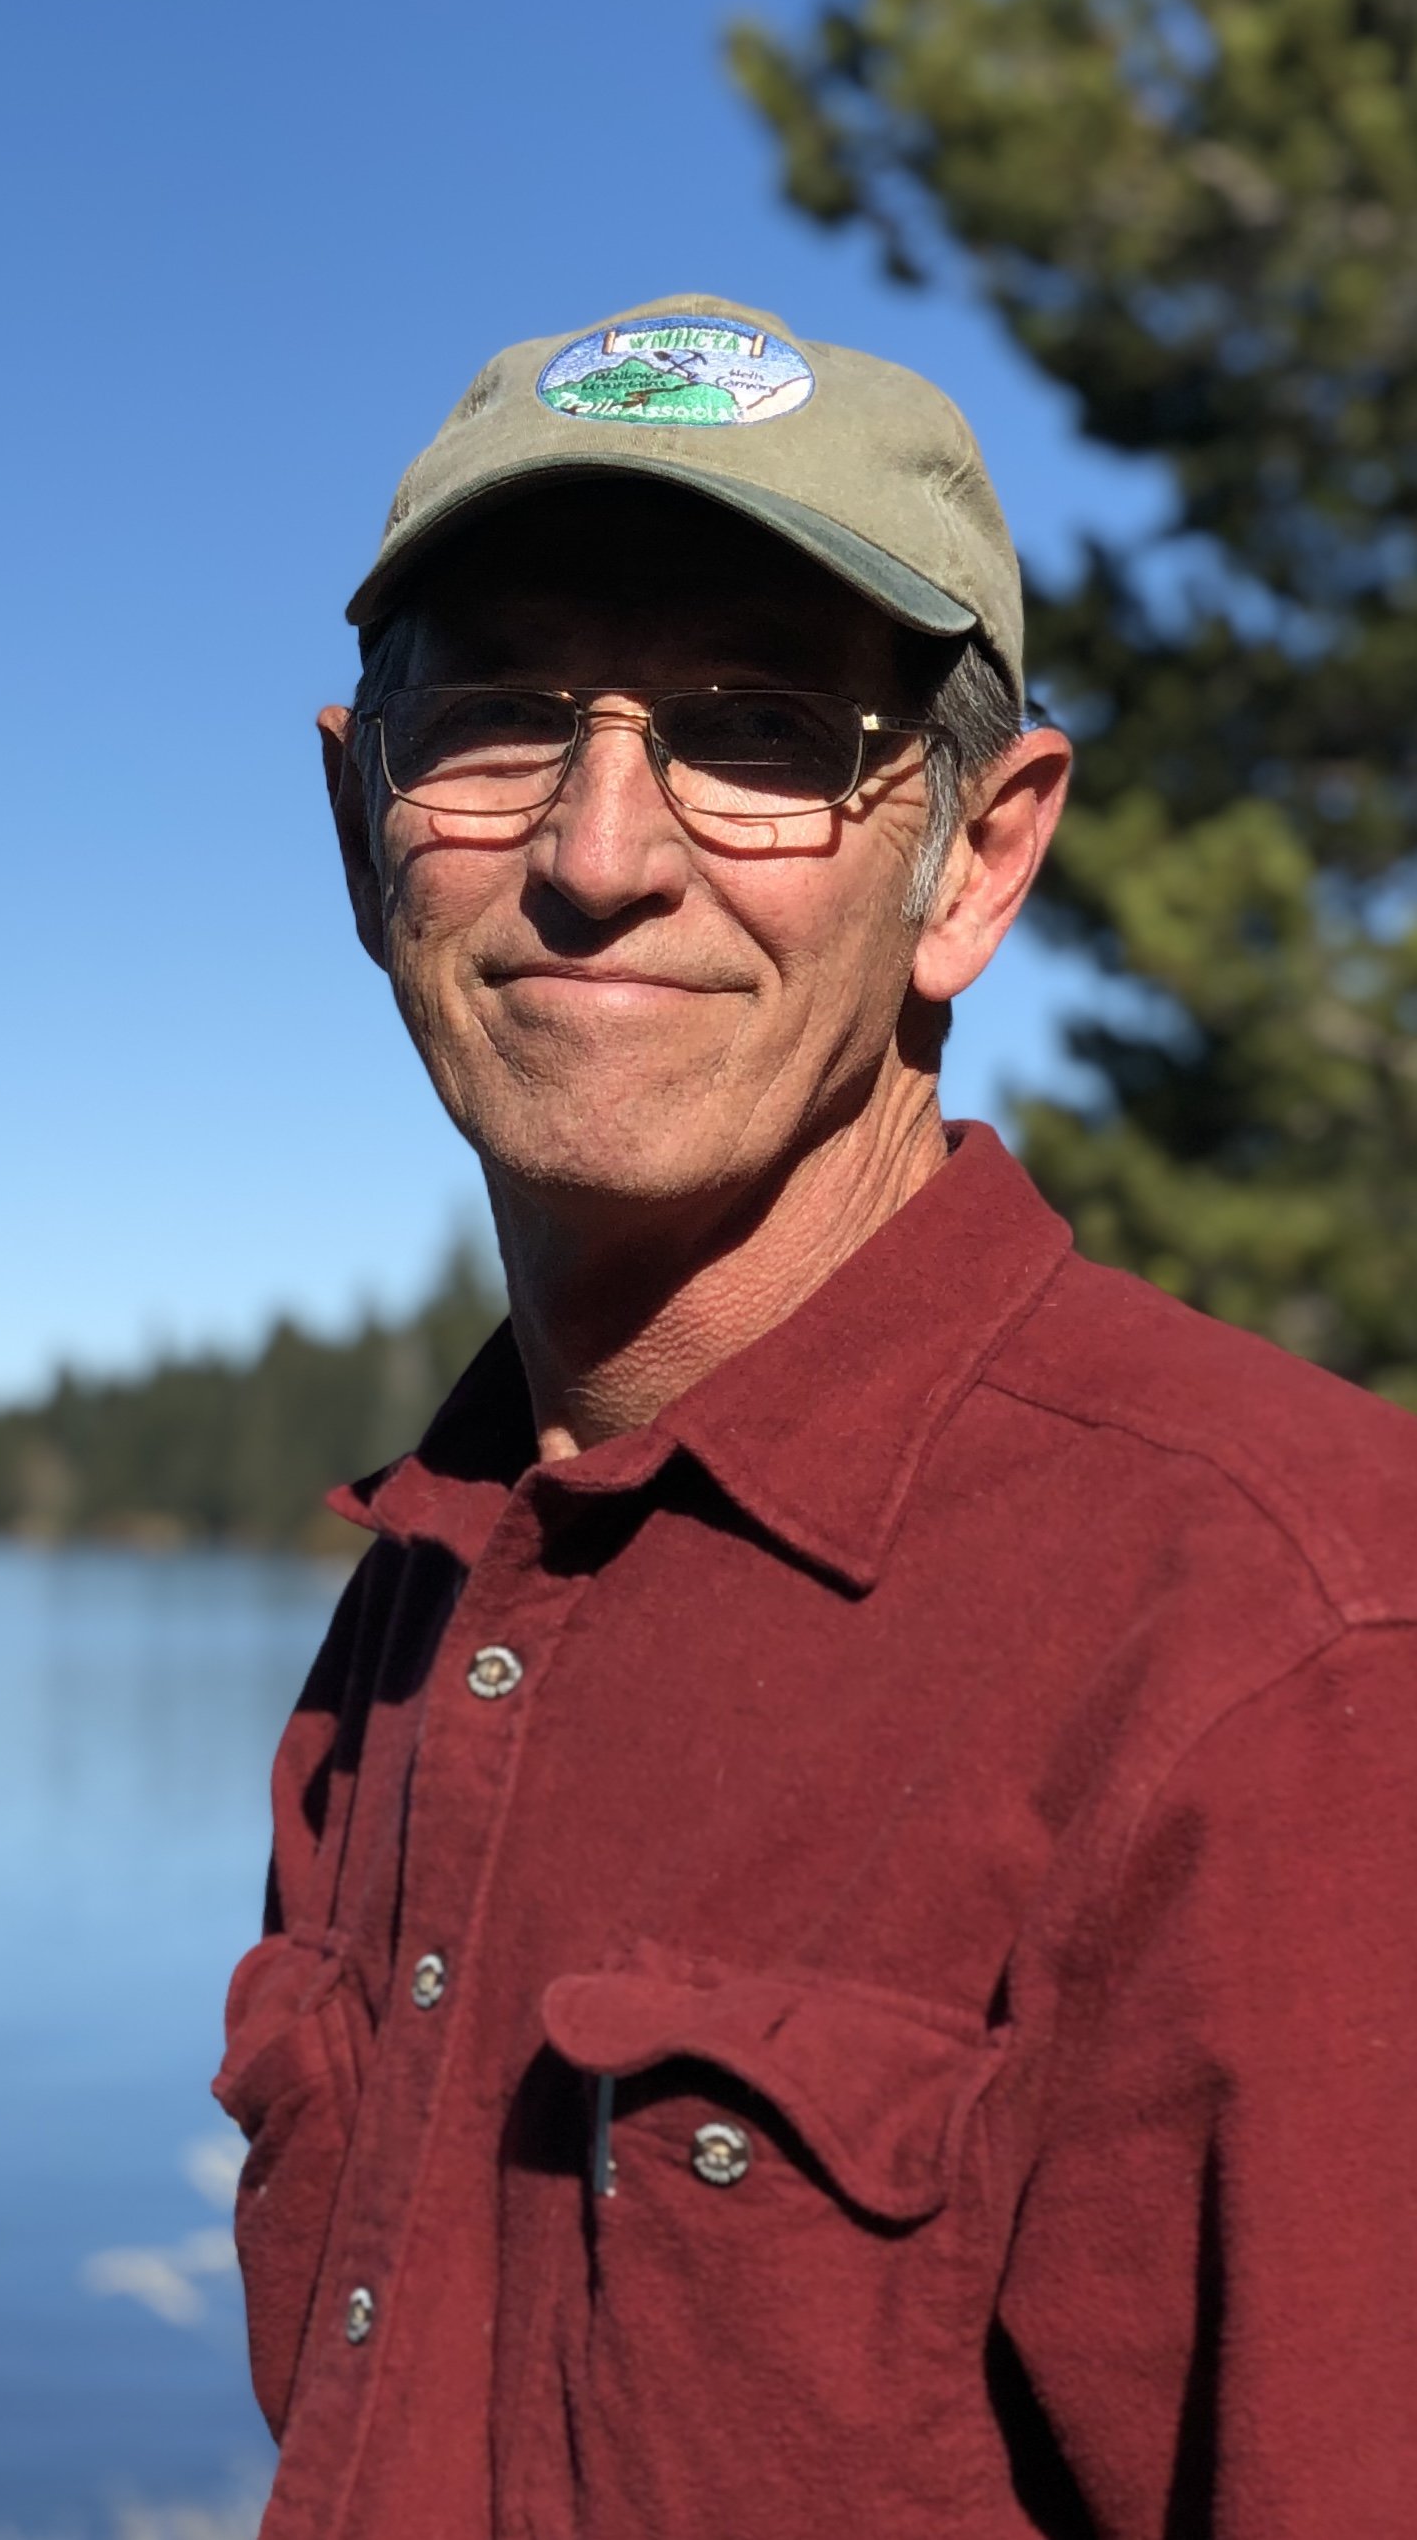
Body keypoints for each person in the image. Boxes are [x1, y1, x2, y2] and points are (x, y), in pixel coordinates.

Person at [214, 295, 1417, 2540]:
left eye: (757, 733)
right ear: (361, 820)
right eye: (486, 720)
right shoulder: (416, 1596)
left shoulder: (1295, 1653)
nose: (596, 848)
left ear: (973, 855)